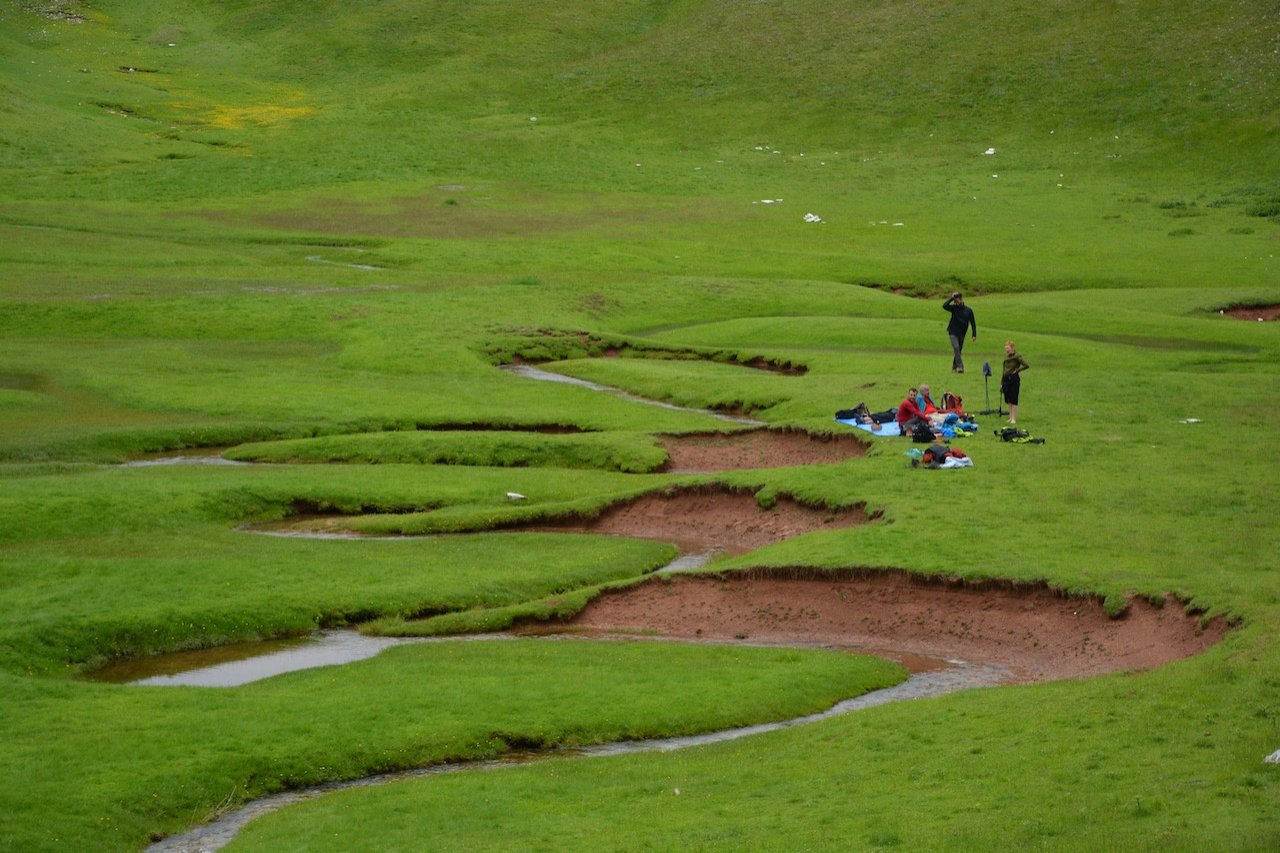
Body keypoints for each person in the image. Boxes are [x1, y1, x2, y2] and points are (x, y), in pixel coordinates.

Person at [942, 292, 977, 373]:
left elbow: (973, 323)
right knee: (956, 347)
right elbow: (944, 306)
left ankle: (954, 367)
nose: (956, 303)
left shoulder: (968, 311)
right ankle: (960, 367)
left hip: (962, 333)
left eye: (957, 301)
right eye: (955, 301)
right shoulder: (954, 308)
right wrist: (951, 298)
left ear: (961, 300)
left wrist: (974, 334)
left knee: (958, 350)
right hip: (952, 331)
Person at [1001, 340, 1029, 424]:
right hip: (1006, 379)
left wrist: (1017, 370)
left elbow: (1026, 365)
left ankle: (1014, 418)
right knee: (1008, 399)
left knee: (1013, 398)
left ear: (1012, 347)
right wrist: (1001, 382)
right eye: (1005, 348)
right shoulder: (1006, 357)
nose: (1007, 349)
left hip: (1013, 379)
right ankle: (1010, 417)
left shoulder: (1017, 356)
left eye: (1008, 348)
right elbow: (1004, 370)